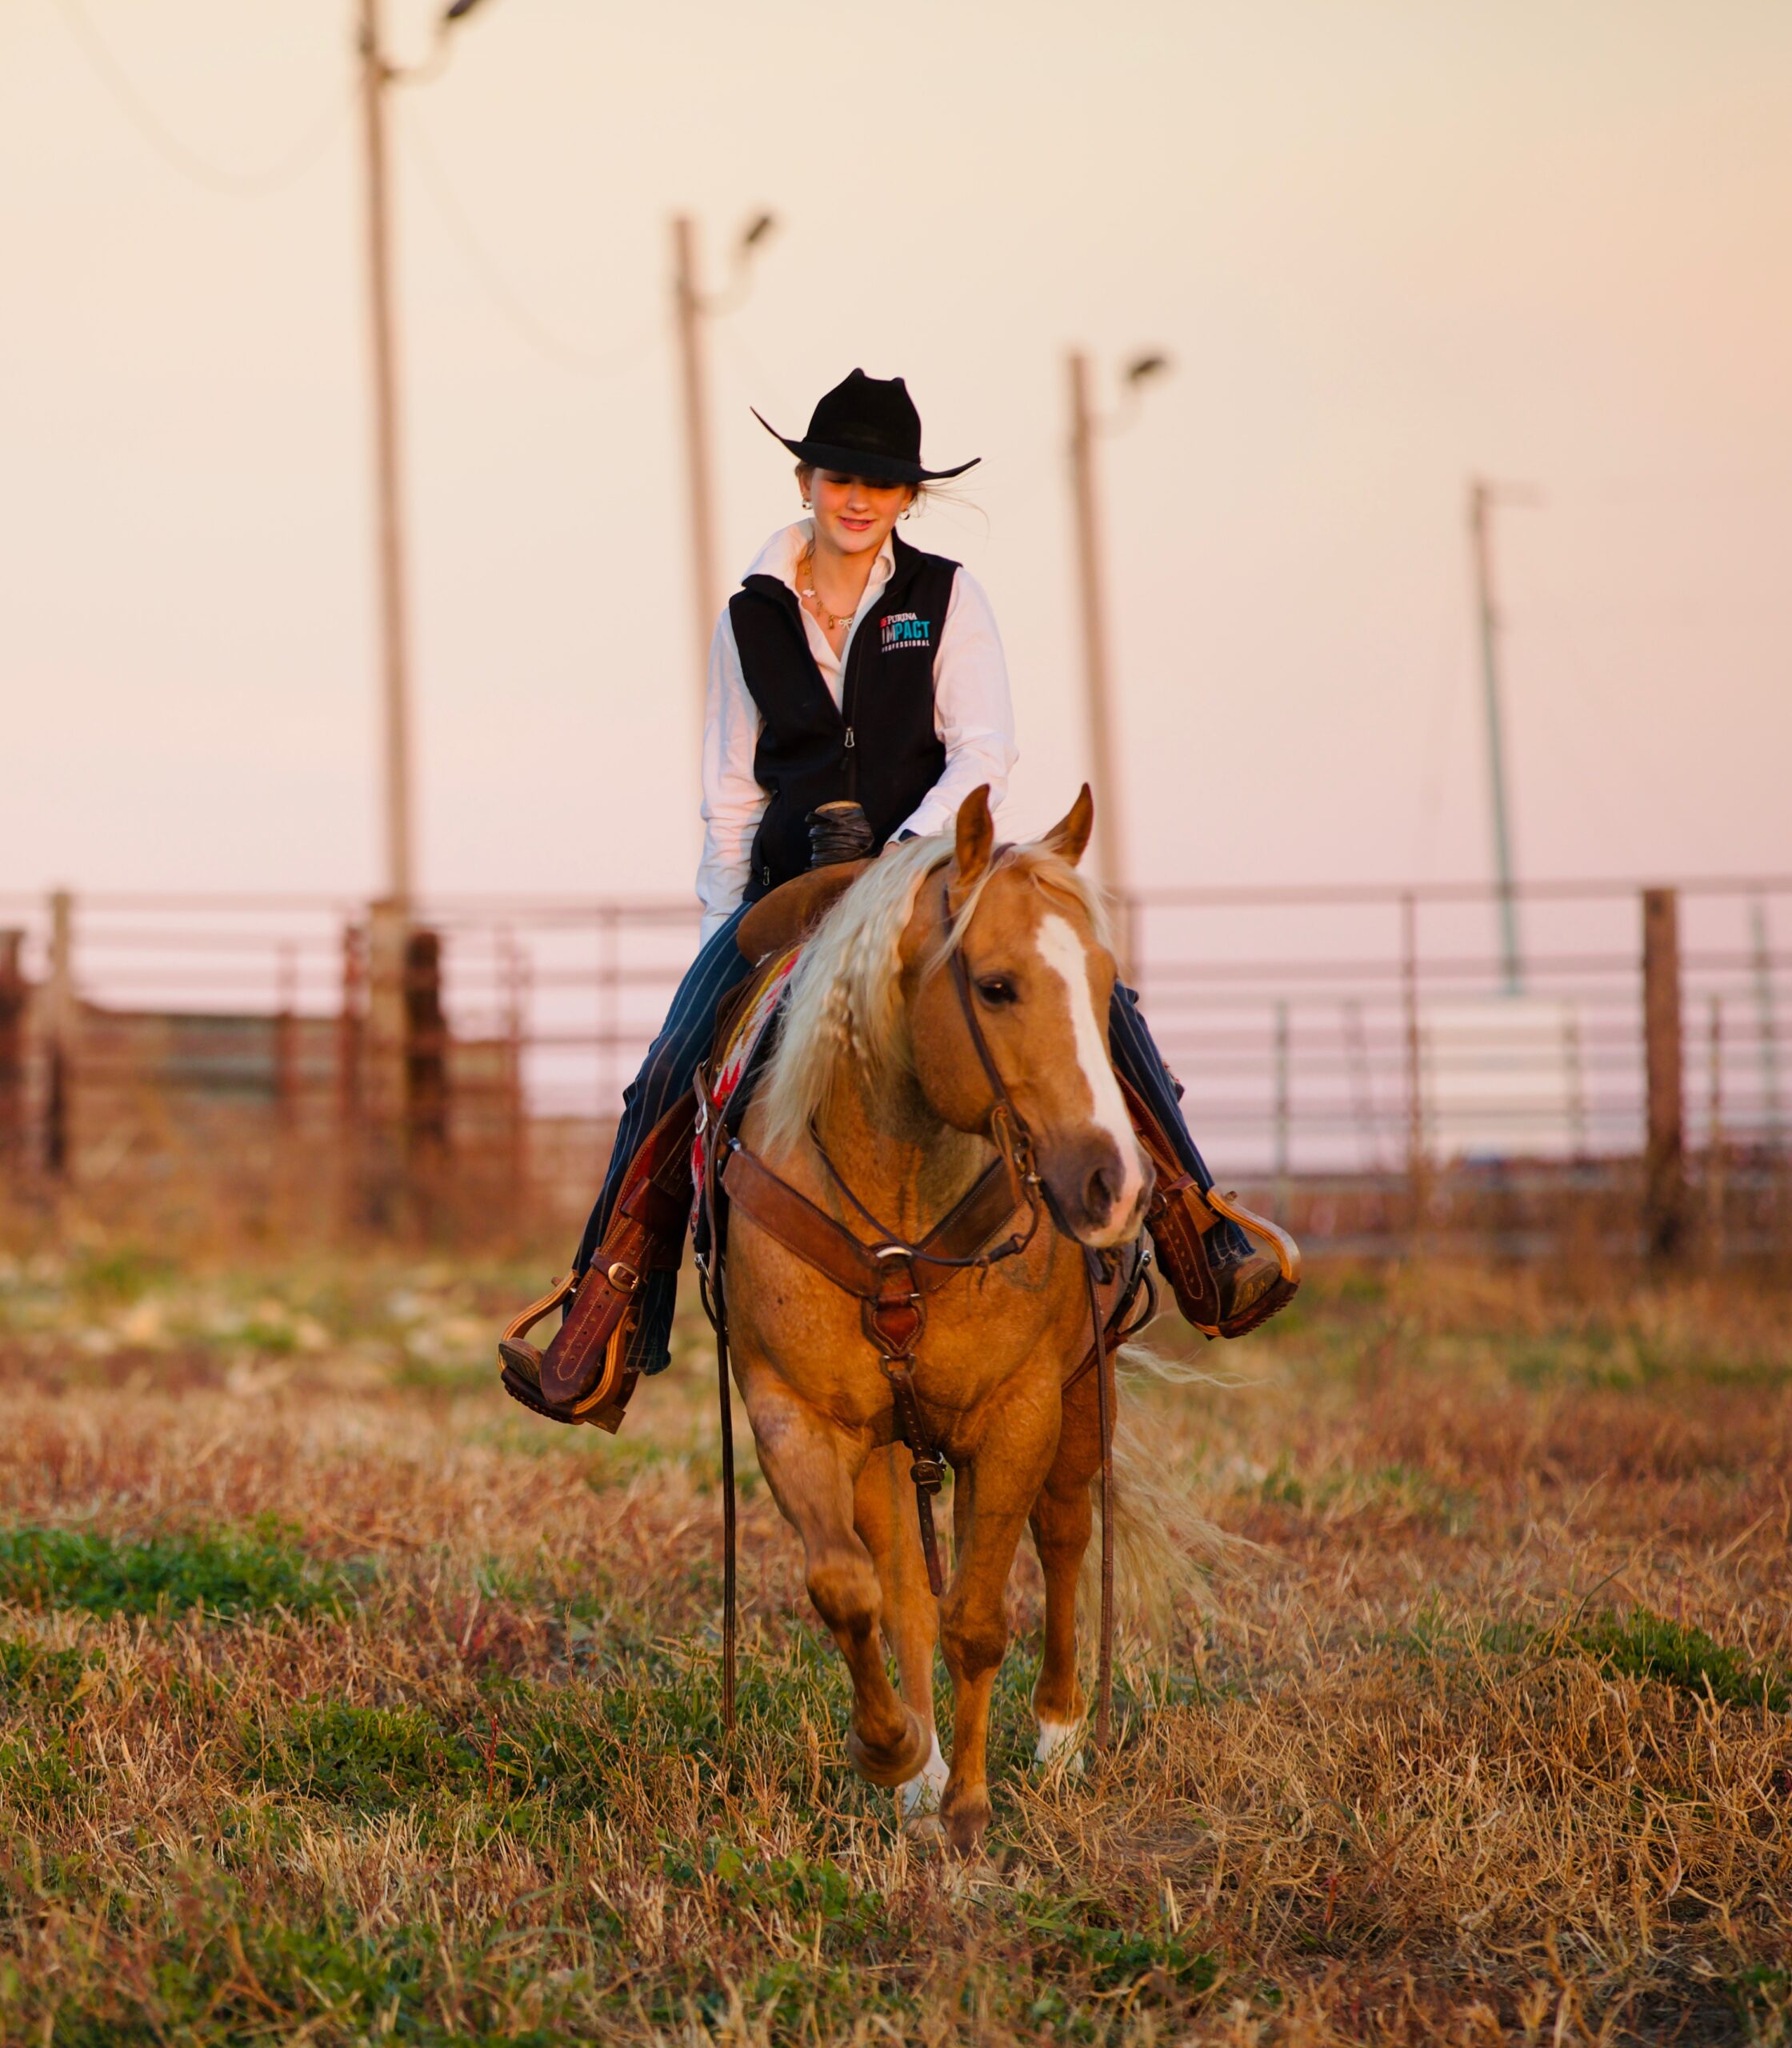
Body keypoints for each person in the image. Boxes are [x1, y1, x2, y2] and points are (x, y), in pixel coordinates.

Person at [500, 370, 1297, 1427]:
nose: (857, 498)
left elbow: (983, 749)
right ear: (805, 481)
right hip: (790, 892)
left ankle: (1200, 1229)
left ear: (908, 498)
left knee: (1087, 1002)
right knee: (665, 1072)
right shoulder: (750, 616)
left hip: (931, 871)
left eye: (880, 483)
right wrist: (722, 937)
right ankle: (606, 1324)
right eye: (839, 477)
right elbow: (732, 791)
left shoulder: (948, 597)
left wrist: (906, 854)